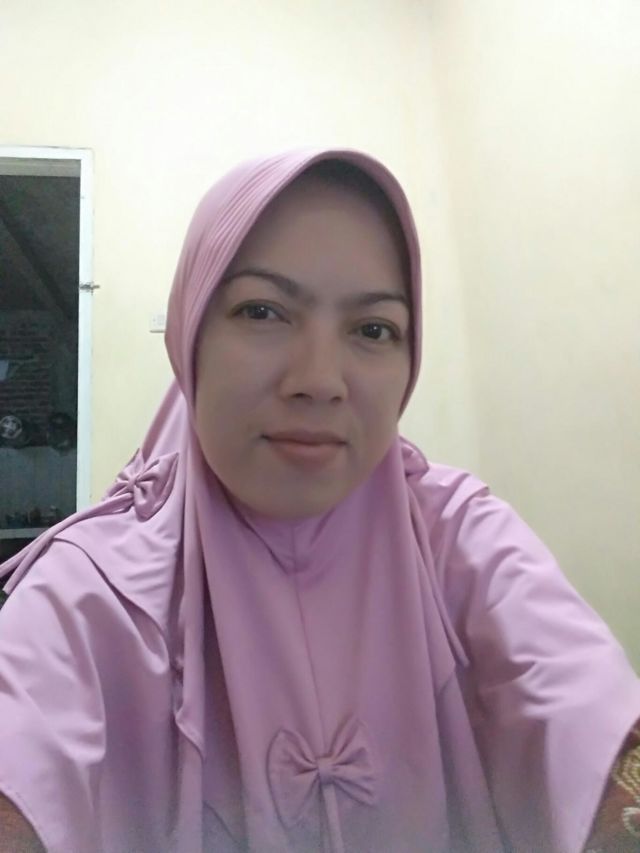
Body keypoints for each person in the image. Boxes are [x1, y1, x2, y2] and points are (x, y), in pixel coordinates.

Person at [0, 147, 638, 853]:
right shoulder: (91, 590)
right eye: (263, 311)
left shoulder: (460, 536)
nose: (320, 380)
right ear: (189, 335)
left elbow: (579, 701)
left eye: (373, 329)